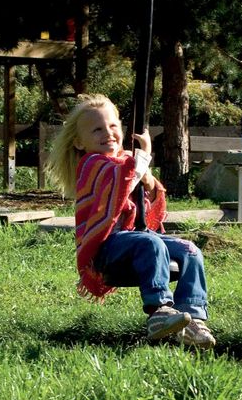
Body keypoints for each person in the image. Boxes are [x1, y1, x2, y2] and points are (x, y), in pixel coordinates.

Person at [45, 94, 215, 348]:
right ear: (79, 142)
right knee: (150, 243)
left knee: (191, 250)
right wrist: (144, 156)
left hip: (135, 240)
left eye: (113, 126)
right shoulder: (92, 164)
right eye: (97, 129)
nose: (108, 133)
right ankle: (159, 311)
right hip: (107, 248)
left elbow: (152, 193)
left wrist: (146, 178)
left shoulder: (127, 160)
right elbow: (120, 180)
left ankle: (193, 319)